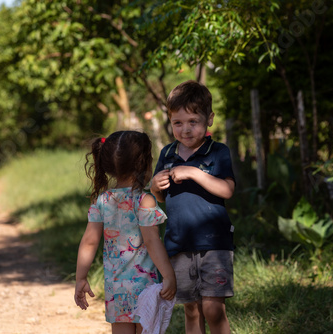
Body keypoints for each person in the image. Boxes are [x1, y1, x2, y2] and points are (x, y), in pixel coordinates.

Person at [151, 80, 236, 334]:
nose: (185, 129)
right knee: (191, 308)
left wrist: (193, 173)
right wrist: (155, 186)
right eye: (178, 123)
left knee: (213, 308)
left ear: (209, 119)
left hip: (214, 243)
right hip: (179, 242)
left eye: (193, 122)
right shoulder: (167, 153)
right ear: (170, 121)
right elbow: (162, 198)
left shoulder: (217, 152)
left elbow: (228, 190)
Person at [74, 131, 177, 334]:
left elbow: (89, 242)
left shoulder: (102, 201)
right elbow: (151, 241)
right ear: (145, 164)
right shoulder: (144, 201)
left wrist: (81, 278)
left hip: (116, 290)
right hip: (144, 288)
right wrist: (168, 275)